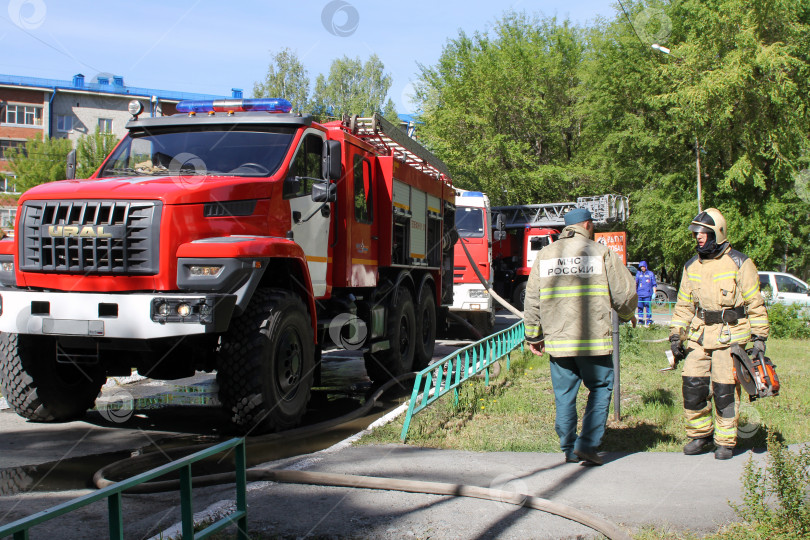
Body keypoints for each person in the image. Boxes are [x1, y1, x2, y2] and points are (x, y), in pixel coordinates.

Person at [523, 208, 638, 466]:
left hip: (559, 343)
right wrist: (629, 313)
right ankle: (586, 445)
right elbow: (623, 293)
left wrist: (533, 336)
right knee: (599, 388)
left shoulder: (545, 255)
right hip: (594, 341)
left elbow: (531, 300)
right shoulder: (600, 252)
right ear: (587, 224)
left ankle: (568, 448)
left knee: (564, 395)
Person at [669, 208, 769, 460]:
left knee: (724, 389)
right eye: (696, 234)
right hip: (699, 336)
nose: (698, 238)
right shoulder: (691, 265)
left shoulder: (740, 262)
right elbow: (683, 305)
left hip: (730, 336)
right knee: (692, 385)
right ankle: (700, 436)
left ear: (718, 233)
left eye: (703, 233)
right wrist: (676, 336)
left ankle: (725, 442)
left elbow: (755, 302)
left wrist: (759, 338)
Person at [635, 260, 657, 326]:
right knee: (640, 308)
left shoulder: (650, 274)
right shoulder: (638, 274)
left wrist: (654, 293)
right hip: (640, 294)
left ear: (646, 266)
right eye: (641, 267)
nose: (642, 268)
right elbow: (636, 283)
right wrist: (635, 292)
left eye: (643, 266)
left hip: (647, 294)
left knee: (648, 307)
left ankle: (648, 321)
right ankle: (640, 321)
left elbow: (654, 284)